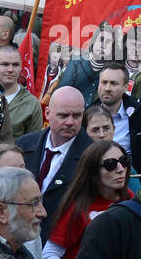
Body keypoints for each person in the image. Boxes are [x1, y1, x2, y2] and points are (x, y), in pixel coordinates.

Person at [43, 139, 132, 259]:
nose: (121, 168)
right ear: (92, 171)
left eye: (124, 161)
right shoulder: (78, 207)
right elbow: (49, 256)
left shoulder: (129, 198)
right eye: (110, 164)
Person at [17, 86, 90, 238]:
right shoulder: (24, 144)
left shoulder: (92, 155)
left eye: (76, 116)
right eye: (63, 115)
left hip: (63, 242)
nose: (70, 122)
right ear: (47, 113)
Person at [90, 60, 141, 169]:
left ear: (125, 87)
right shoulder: (87, 115)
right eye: (104, 82)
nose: (107, 88)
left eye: (113, 83)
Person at [0, 44, 43, 142]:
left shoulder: (31, 104)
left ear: (21, 67)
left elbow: (32, 145)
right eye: (5, 64)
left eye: (15, 65)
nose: (10, 70)